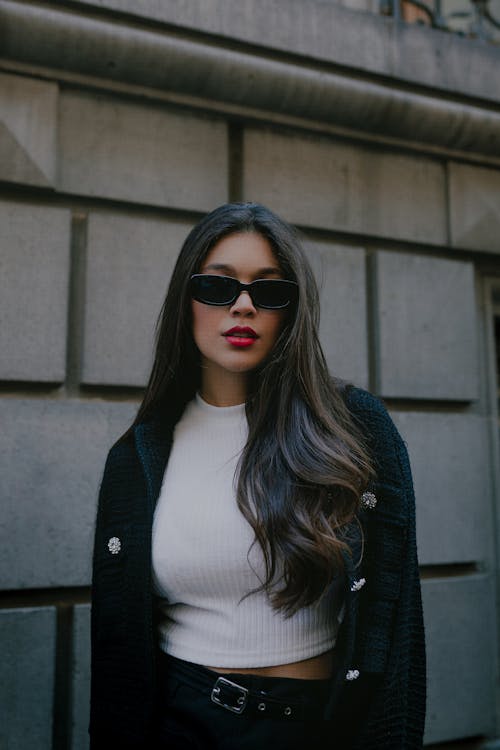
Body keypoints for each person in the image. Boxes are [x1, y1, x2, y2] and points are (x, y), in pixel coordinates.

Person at [89, 202, 425, 750]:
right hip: (178, 721)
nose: (243, 306)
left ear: (290, 312)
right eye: (218, 287)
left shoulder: (355, 427)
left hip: (311, 728)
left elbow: (397, 629)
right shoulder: (136, 457)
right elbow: (116, 654)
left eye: (269, 292)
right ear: (185, 301)